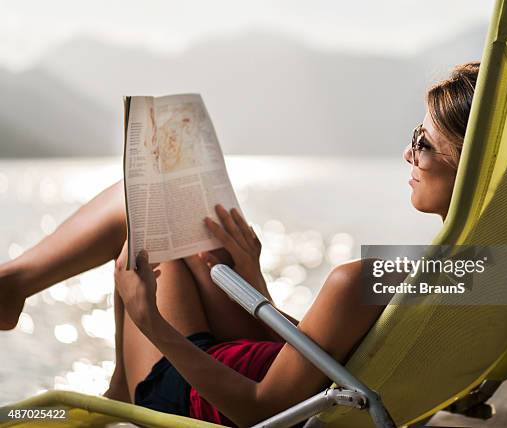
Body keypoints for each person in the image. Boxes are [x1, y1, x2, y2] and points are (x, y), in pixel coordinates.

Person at [0, 62, 480, 427]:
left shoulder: (362, 282)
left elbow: (260, 409)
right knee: (178, 214)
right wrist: (252, 280)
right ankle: (16, 287)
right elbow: (333, 353)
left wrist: (150, 322)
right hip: (265, 371)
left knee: (142, 210)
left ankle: (32, 301)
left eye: (424, 142)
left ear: (466, 164)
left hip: (209, 399)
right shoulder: (503, 270)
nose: (407, 153)